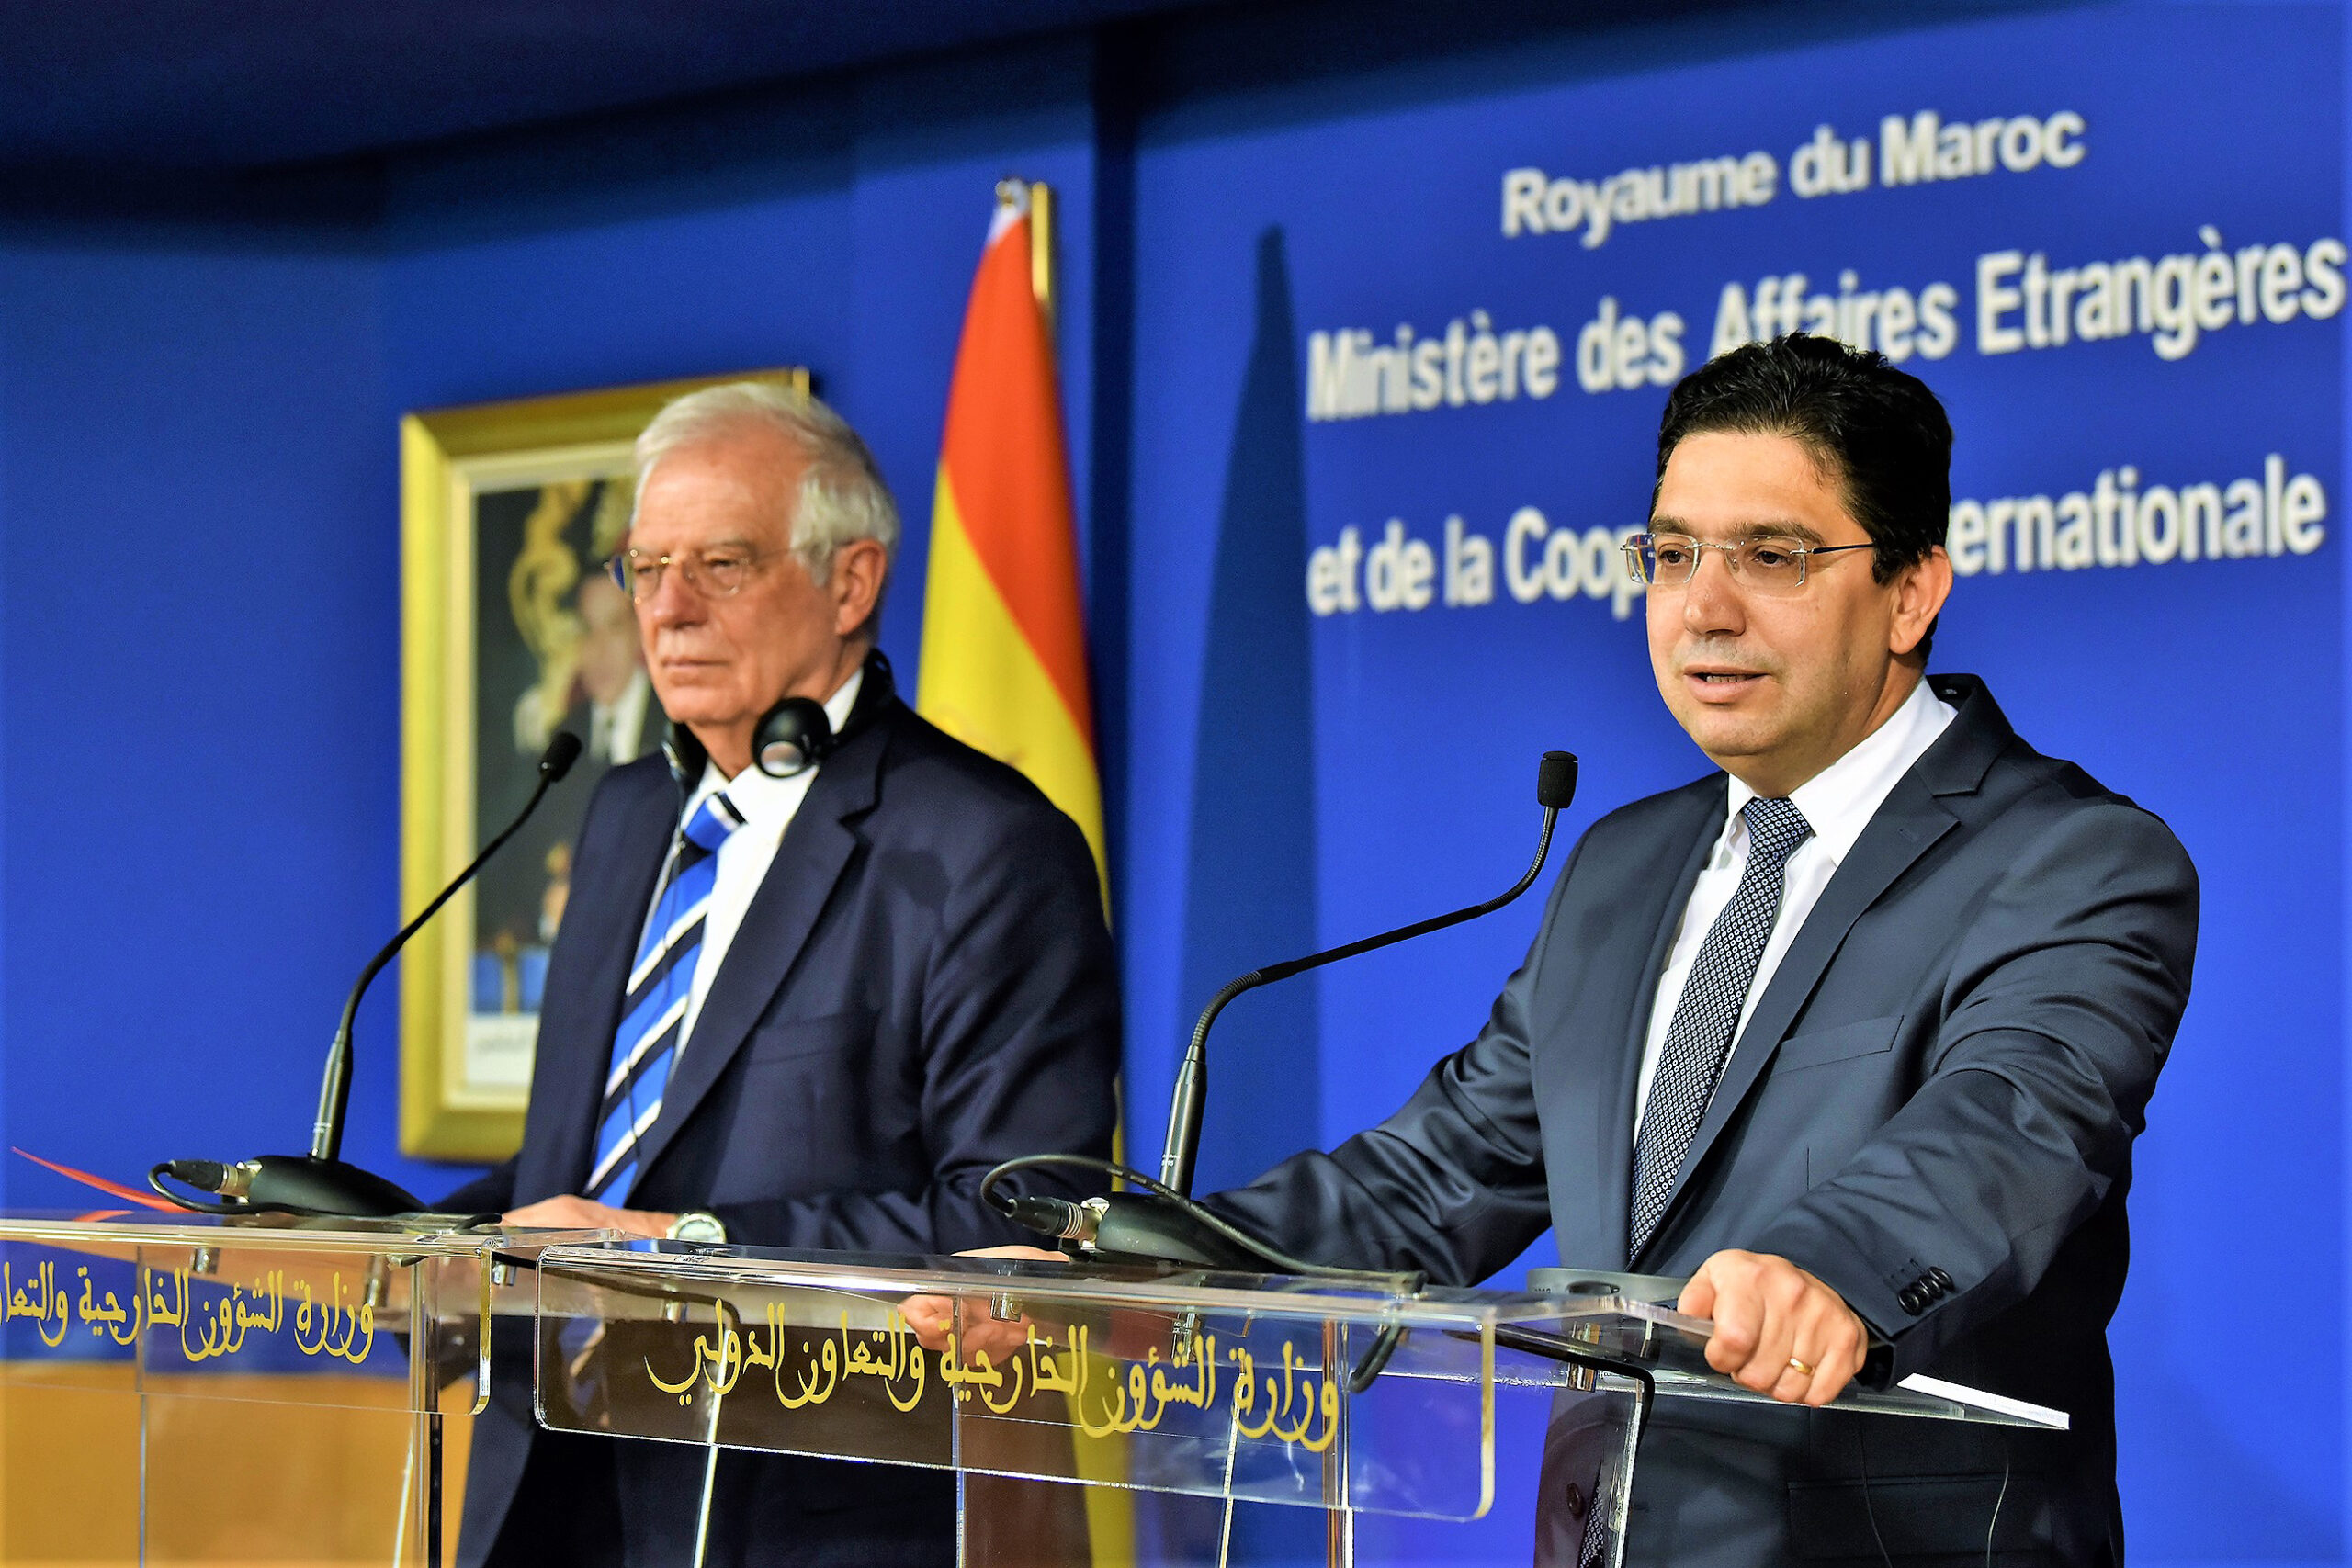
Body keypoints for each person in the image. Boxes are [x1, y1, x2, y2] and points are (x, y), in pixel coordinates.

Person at [1194, 335, 2196, 1564]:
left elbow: (2008, 1129)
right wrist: (1128, 1266)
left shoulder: (2073, 860)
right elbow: (1441, 1176)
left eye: (1772, 556)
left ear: (1911, 590)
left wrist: (1824, 1268)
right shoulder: (1622, 865)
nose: (1703, 608)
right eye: (1672, 556)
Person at [441, 380, 1120, 1568]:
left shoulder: (979, 848)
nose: (669, 611)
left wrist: (675, 1245)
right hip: (551, 1494)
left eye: (722, 564)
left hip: (807, 1511)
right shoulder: (623, 814)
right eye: (643, 570)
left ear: (851, 582)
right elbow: (595, 1161)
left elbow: (1016, 1220)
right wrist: (412, 1242)